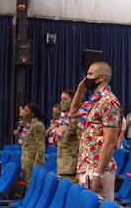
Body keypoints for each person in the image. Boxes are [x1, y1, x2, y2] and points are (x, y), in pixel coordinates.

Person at [71, 61, 122, 200]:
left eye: (90, 74)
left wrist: (97, 175)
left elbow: (110, 142)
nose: (86, 78)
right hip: (87, 167)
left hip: (98, 169)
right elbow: (73, 112)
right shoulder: (94, 101)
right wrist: (80, 91)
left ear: (101, 78)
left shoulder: (108, 102)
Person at [50, 90, 81, 180]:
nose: (62, 102)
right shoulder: (64, 120)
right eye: (61, 99)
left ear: (73, 100)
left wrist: (79, 170)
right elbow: (58, 141)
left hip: (71, 167)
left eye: (65, 99)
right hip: (62, 164)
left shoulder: (77, 119)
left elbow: (82, 145)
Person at [19, 103, 47, 185]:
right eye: (24, 110)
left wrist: (38, 164)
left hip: (33, 161)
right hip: (27, 161)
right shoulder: (30, 125)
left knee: (31, 184)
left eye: (26, 111)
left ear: (32, 114)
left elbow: (41, 145)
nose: (23, 112)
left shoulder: (38, 125)